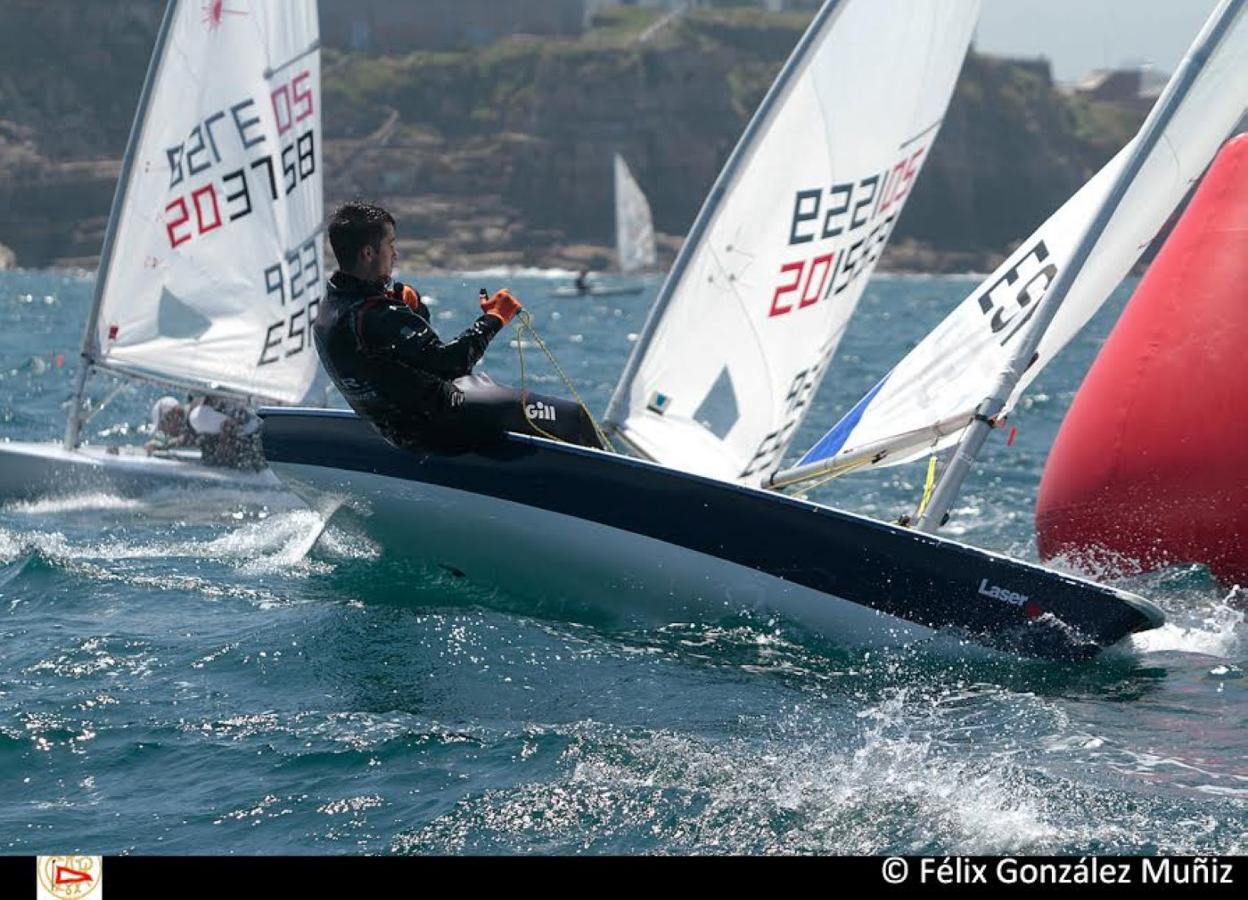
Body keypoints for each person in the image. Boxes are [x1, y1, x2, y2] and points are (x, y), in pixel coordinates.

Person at [314, 202, 603, 453]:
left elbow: (396, 367)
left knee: (485, 385)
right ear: (368, 253)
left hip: (397, 432)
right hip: (442, 428)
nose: (395, 254)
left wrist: (414, 311)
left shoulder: (331, 310)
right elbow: (450, 365)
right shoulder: (378, 315)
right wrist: (493, 319)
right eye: (390, 244)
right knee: (574, 417)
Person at [144, 394, 264, 470]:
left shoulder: (197, 418)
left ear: (174, 414)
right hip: (255, 444)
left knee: (212, 458)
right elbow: (186, 439)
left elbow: (230, 426)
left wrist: (220, 462)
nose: (166, 433)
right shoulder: (193, 419)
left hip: (259, 448)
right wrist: (163, 446)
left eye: (164, 427)